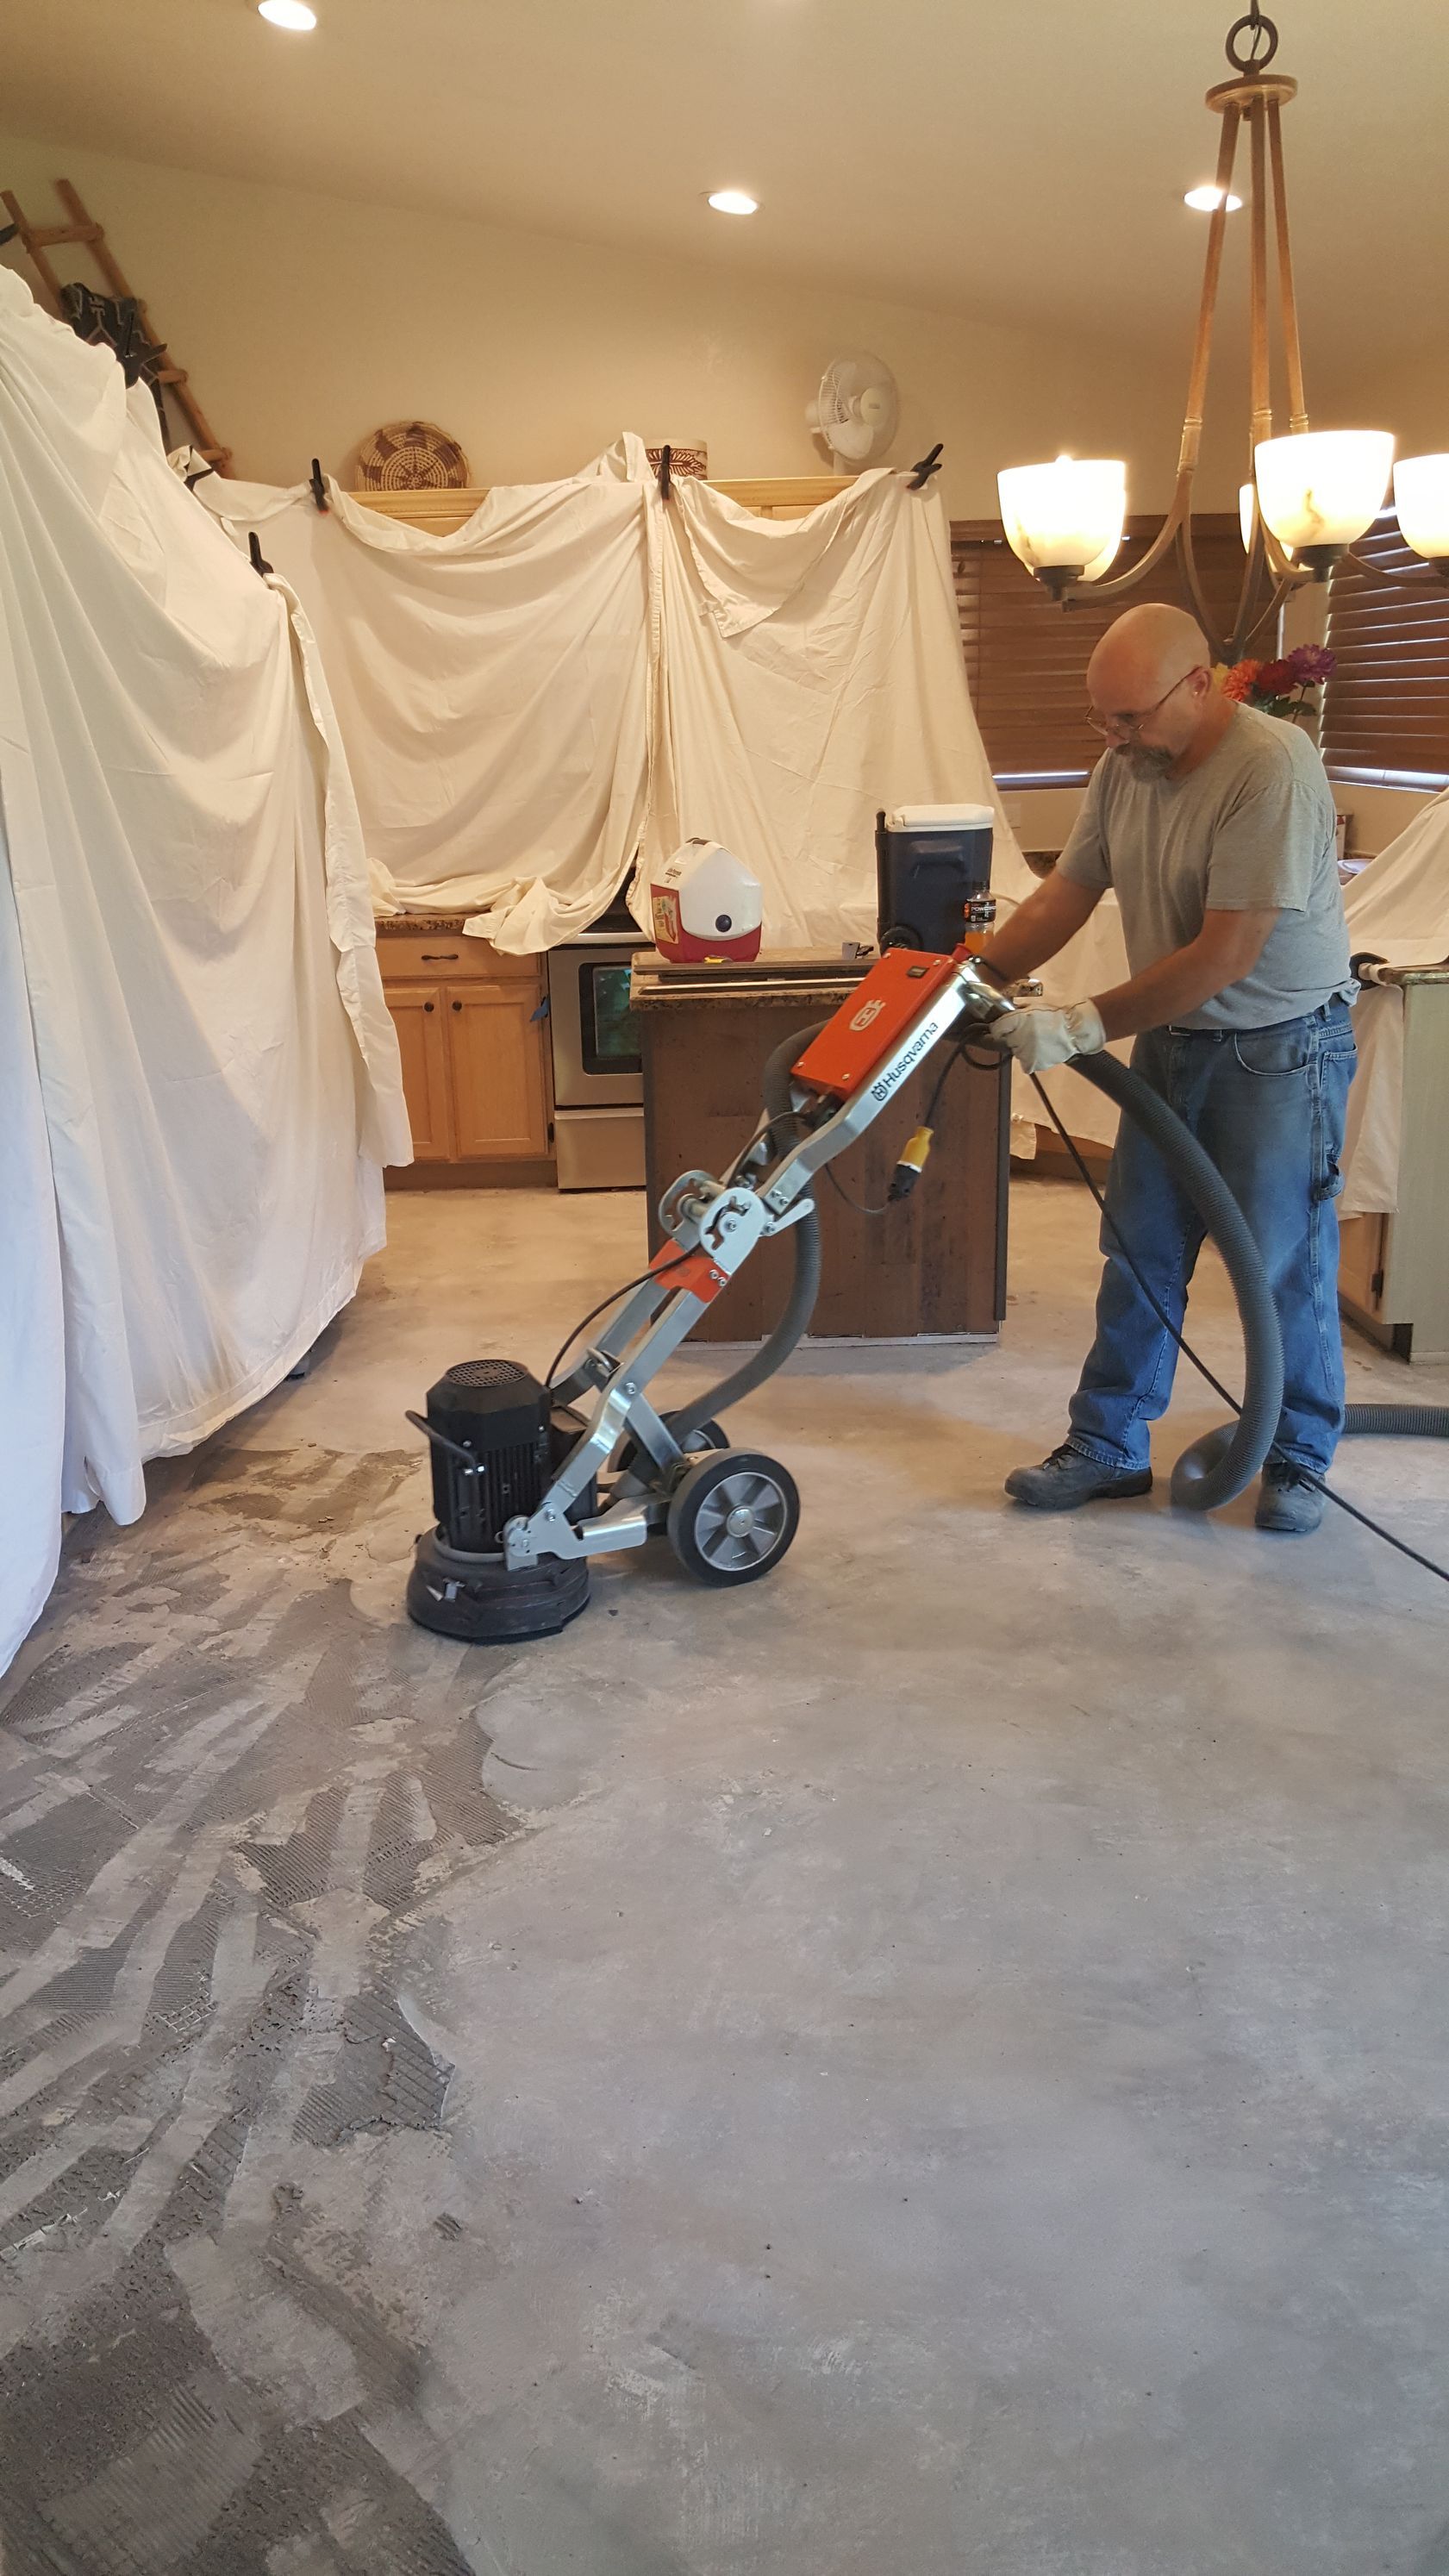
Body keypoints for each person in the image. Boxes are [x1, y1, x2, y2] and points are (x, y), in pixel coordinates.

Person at [977, 601, 1356, 1535]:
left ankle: (1298, 1457)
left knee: (1282, 1264)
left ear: (1200, 683)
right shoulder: (1126, 765)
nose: (1112, 738)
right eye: (1099, 718)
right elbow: (1068, 888)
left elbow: (1226, 953)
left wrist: (1081, 1025)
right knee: (1137, 1250)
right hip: (1175, 1043)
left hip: (1279, 1051)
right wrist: (975, 977)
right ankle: (1108, 1445)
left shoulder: (1271, 768)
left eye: (1129, 718)